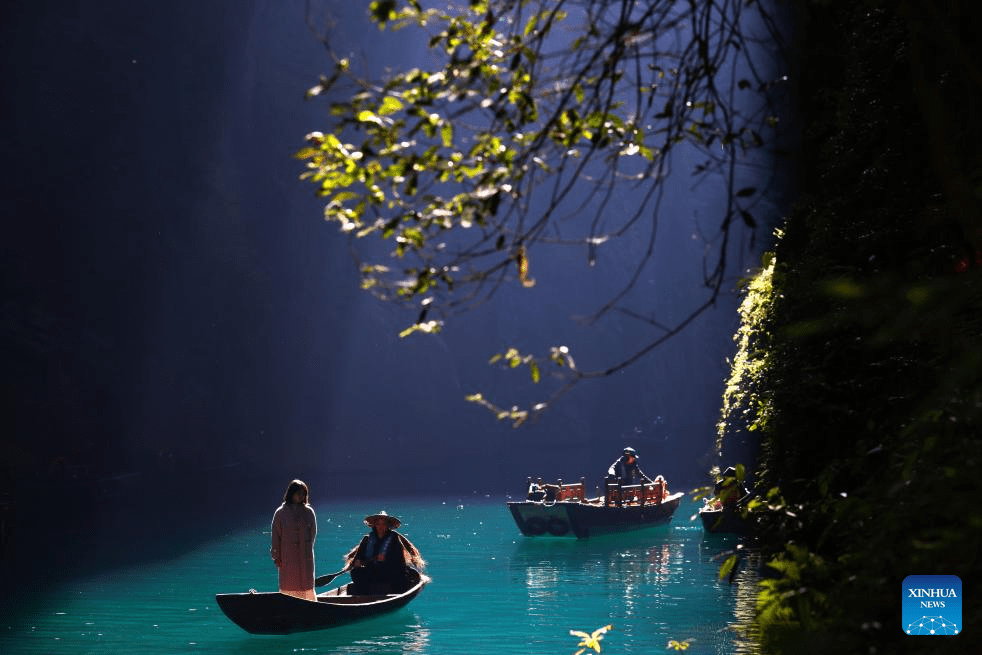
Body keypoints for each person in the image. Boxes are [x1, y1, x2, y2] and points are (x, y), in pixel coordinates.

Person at [345, 510, 425, 595]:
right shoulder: (367, 539)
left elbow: (400, 560)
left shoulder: (394, 539)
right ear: (374, 526)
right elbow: (358, 557)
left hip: (389, 572)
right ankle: (363, 596)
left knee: (397, 573)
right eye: (378, 524)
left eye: (384, 524)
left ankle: (394, 594)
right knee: (355, 572)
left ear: (388, 526)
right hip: (373, 572)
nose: (381, 526)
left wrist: (386, 558)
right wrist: (357, 561)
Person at [270, 479, 317, 601]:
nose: (302, 496)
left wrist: (307, 548)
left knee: (306, 585)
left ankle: (309, 606)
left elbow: (312, 533)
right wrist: (277, 556)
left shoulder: (308, 512)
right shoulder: (280, 513)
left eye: (304, 494)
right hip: (288, 556)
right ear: (291, 493)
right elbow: (276, 536)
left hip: (305, 556)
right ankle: (288, 607)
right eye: (299, 493)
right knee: (289, 585)